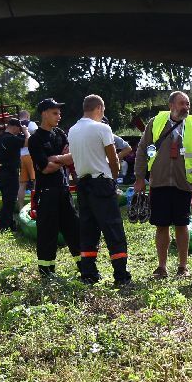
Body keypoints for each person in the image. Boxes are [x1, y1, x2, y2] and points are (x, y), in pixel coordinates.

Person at [135, 91, 192, 278]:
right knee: (161, 225)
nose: (186, 107)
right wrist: (140, 177)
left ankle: (183, 267)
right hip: (159, 182)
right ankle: (162, 267)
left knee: (182, 225)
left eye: (188, 104)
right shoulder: (156, 123)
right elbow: (142, 149)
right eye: (182, 103)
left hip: (183, 184)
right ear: (171, 105)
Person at [66, 95, 131, 285]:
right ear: (99, 108)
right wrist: (113, 178)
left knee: (87, 229)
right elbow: (114, 160)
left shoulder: (72, 130)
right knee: (113, 229)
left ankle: (89, 273)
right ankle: (121, 275)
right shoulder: (103, 128)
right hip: (101, 183)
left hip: (83, 184)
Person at [28, 98, 82, 276]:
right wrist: (61, 160)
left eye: (59, 113)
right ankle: (46, 271)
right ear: (44, 114)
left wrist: (54, 158)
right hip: (46, 193)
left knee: (74, 229)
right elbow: (46, 168)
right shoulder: (35, 139)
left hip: (64, 190)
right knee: (47, 233)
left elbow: (71, 156)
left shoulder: (59, 133)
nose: (59, 116)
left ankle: (84, 266)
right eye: (55, 113)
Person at [0, 118, 26, 232]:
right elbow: (28, 141)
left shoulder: (0, 138)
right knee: (10, 200)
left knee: (7, 199)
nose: (19, 131)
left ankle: (9, 222)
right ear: (14, 126)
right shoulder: (9, 138)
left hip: (3, 171)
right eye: (19, 128)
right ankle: (4, 225)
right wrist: (26, 131)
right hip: (9, 172)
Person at [17, 110, 38, 207]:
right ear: (27, 116)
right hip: (30, 155)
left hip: (20, 156)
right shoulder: (31, 124)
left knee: (22, 184)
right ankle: (35, 205)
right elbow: (37, 134)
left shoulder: (15, 125)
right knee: (35, 181)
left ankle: (21, 206)